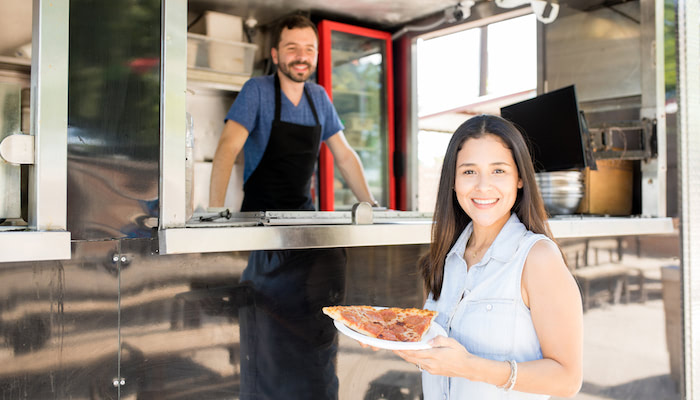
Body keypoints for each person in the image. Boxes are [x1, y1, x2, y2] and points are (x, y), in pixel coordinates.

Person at [207, 14, 376, 400]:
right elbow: (227, 149)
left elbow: (345, 157)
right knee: (268, 336)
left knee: (315, 337)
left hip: (304, 229)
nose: (302, 57)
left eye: (309, 49)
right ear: (275, 54)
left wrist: (371, 205)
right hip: (262, 229)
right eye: (292, 49)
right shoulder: (258, 91)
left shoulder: (319, 98)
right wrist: (212, 214)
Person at [393, 114, 583, 399]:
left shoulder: (537, 258)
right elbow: (441, 355)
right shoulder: (445, 258)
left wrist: (469, 367)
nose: (483, 186)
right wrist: (391, 337)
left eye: (498, 171)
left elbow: (567, 379)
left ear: (519, 179)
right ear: (453, 181)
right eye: (469, 172)